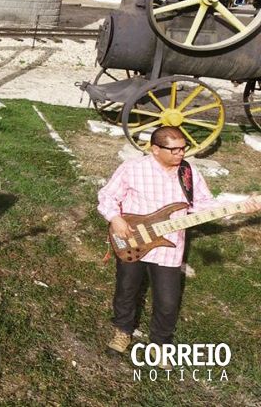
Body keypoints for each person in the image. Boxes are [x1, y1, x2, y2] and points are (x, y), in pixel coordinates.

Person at [98, 126, 261, 359]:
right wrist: (115, 219)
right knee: (126, 289)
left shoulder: (188, 173)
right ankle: (123, 331)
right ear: (155, 149)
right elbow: (107, 196)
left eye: (183, 148)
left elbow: (204, 204)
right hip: (131, 240)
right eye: (174, 150)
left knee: (168, 300)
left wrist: (241, 206)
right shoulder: (132, 168)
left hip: (170, 246)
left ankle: (160, 343)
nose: (181, 154)